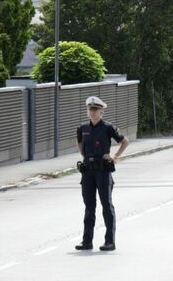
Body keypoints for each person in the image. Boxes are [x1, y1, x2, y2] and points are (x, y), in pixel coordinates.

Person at [75, 96, 129, 252]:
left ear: (101, 112)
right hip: (87, 172)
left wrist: (114, 156)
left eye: (95, 110)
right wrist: (85, 156)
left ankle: (110, 242)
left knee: (106, 205)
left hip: (103, 171)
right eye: (90, 109)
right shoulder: (82, 128)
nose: (92, 112)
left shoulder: (108, 127)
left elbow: (124, 141)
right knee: (89, 206)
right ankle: (87, 241)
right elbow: (79, 143)